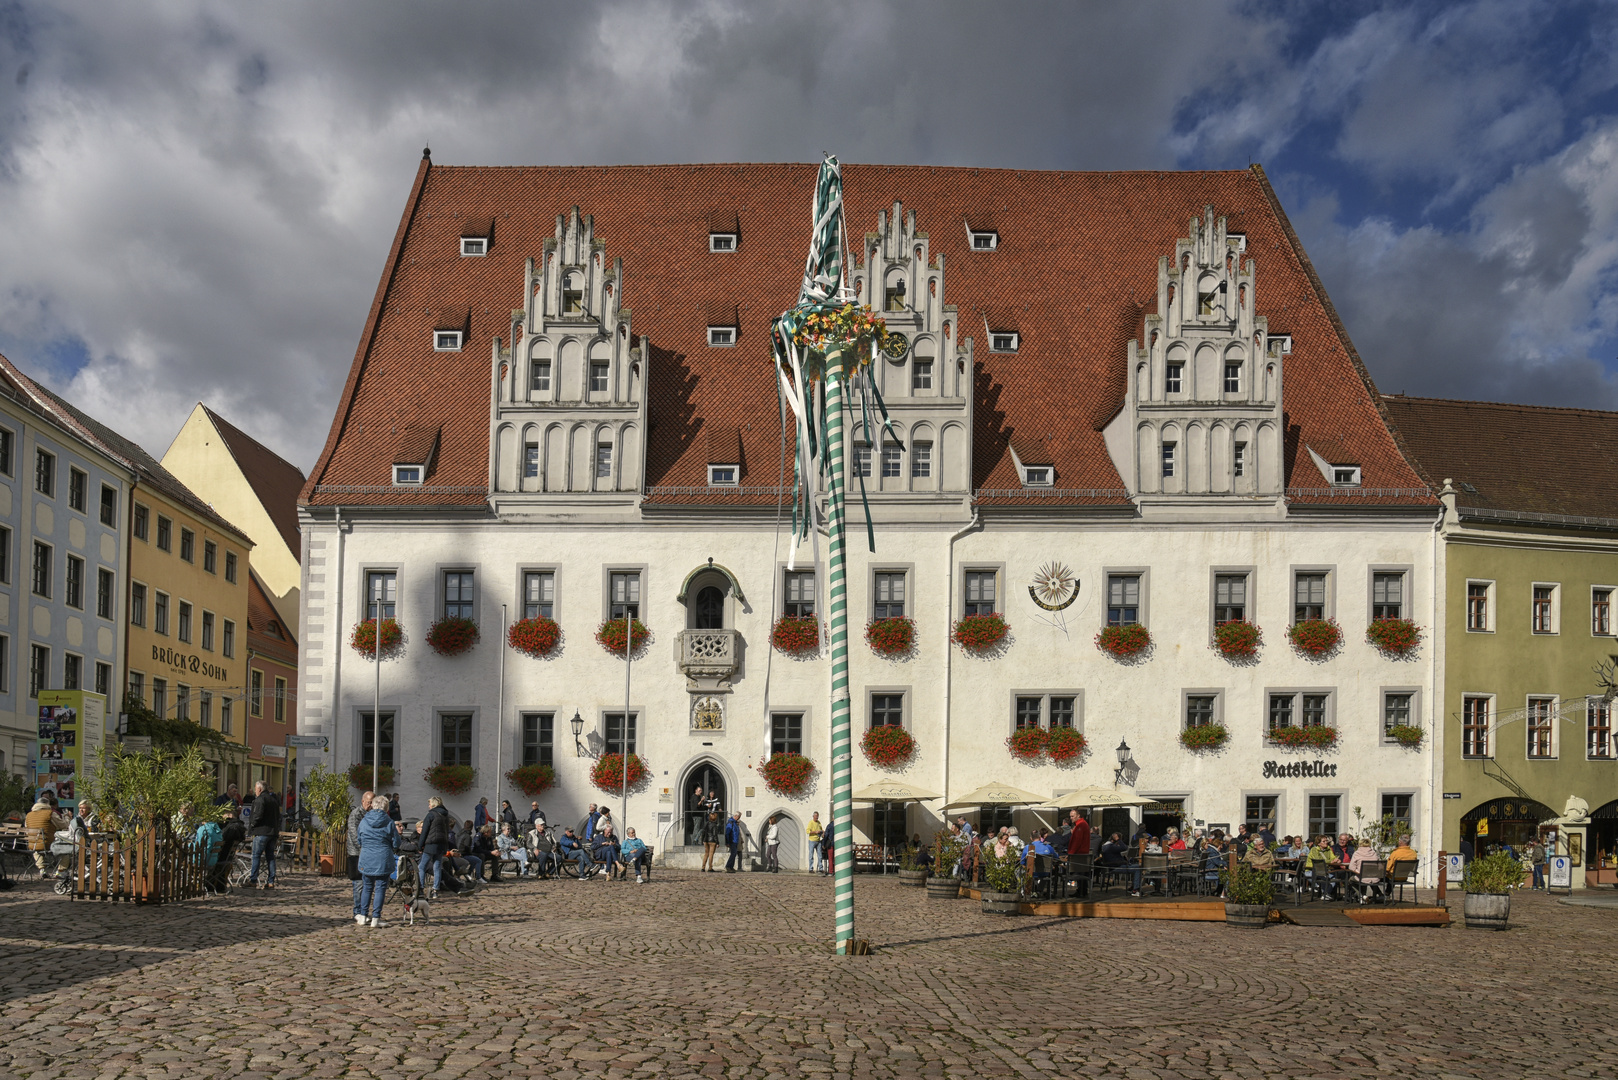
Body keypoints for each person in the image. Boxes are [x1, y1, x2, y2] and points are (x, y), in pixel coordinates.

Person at [357, 795, 399, 927]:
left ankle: (363, 915)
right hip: (383, 857)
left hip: (367, 856)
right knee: (380, 888)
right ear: (386, 808)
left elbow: (359, 839)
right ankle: (375, 918)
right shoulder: (389, 822)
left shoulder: (364, 821)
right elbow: (397, 842)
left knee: (367, 887)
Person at [246, 781, 282, 890]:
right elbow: (278, 817)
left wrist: (251, 825)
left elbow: (257, 815)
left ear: (260, 789)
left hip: (261, 832)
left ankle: (253, 880)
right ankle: (271, 881)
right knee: (270, 857)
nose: (255, 791)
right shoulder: (273, 800)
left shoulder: (260, 799)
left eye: (256, 789)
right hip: (272, 832)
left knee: (256, 855)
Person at [346, 790, 375, 921]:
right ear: (363, 801)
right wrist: (364, 847)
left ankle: (364, 911)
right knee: (358, 884)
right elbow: (354, 834)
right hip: (356, 853)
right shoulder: (356, 814)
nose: (371, 805)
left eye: (372, 803)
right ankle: (357, 911)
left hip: (368, 853)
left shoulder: (373, 814)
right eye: (369, 803)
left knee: (367, 884)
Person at [419, 795, 454, 898]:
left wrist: (420, 845)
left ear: (433, 804)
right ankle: (435, 890)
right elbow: (447, 831)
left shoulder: (431, 815)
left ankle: (421, 888)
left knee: (422, 866)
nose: (429, 806)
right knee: (437, 867)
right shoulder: (445, 815)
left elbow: (424, 831)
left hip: (431, 844)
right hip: (441, 844)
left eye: (429, 804)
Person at [25, 794, 62, 878]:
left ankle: (42, 869)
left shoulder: (29, 815)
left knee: (37, 848)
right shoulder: (50, 813)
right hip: (48, 843)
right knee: (65, 850)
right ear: (47, 804)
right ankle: (61, 871)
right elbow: (63, 825)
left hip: (32, 844)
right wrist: (67, 818)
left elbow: (26, 828)